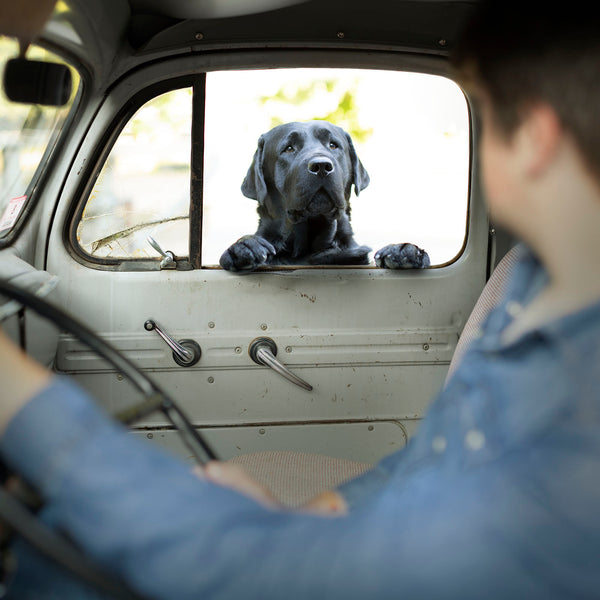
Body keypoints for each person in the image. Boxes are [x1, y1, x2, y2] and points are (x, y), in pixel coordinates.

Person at [1, 1, 600, 597]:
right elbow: (444, 449)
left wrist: (22, 400)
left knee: (64, 561)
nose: (319, 159)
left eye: (487, 120)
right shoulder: (535, 288)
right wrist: (332, 506)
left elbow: (288, 577)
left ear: (536, 140)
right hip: (399, 534)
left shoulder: (578, 416)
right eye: (295, 150)